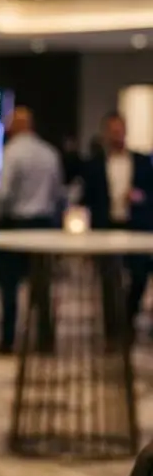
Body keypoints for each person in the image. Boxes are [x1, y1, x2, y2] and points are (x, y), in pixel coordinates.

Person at [0, 106, 63, 354]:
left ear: (18, 125)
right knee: (42, 287)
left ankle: (8, 340)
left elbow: (5, 193)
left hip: (16, 225)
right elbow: (57, 194)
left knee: (9, 285)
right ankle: (45, 339)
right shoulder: (50, 153)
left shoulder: (12, 152)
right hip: (44, 225)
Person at [81, 111, 153, 336]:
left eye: (120, 131)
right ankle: (112, 329)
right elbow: (88, 199)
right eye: (112, 132)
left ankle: (128, 318)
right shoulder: (94, 165)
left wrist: (139, 197)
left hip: (136, 226)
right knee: (109, 279)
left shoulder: (142, 162)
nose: (117, 136)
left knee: (139, 275)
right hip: (106, 226)